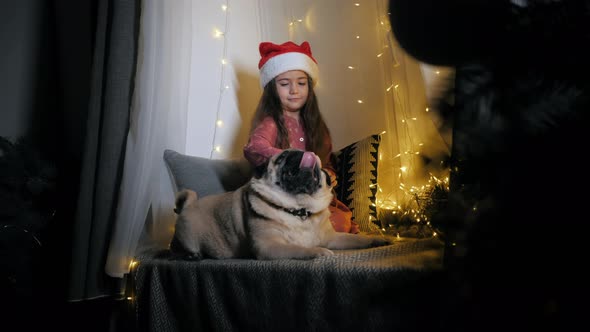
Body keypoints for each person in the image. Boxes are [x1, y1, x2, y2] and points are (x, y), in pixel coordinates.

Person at [243, 40, 359, 234]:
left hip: (312, 199)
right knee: (287, 226)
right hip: (283, 197)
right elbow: (254, 147)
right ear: (272, 89)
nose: (294, 90)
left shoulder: (315, 125)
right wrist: (292, 160)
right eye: (284, 84)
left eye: (301, 83)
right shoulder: (272, 122)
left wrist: (328, 174)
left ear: (309, 87)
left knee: (339, 223)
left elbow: (328, 163)